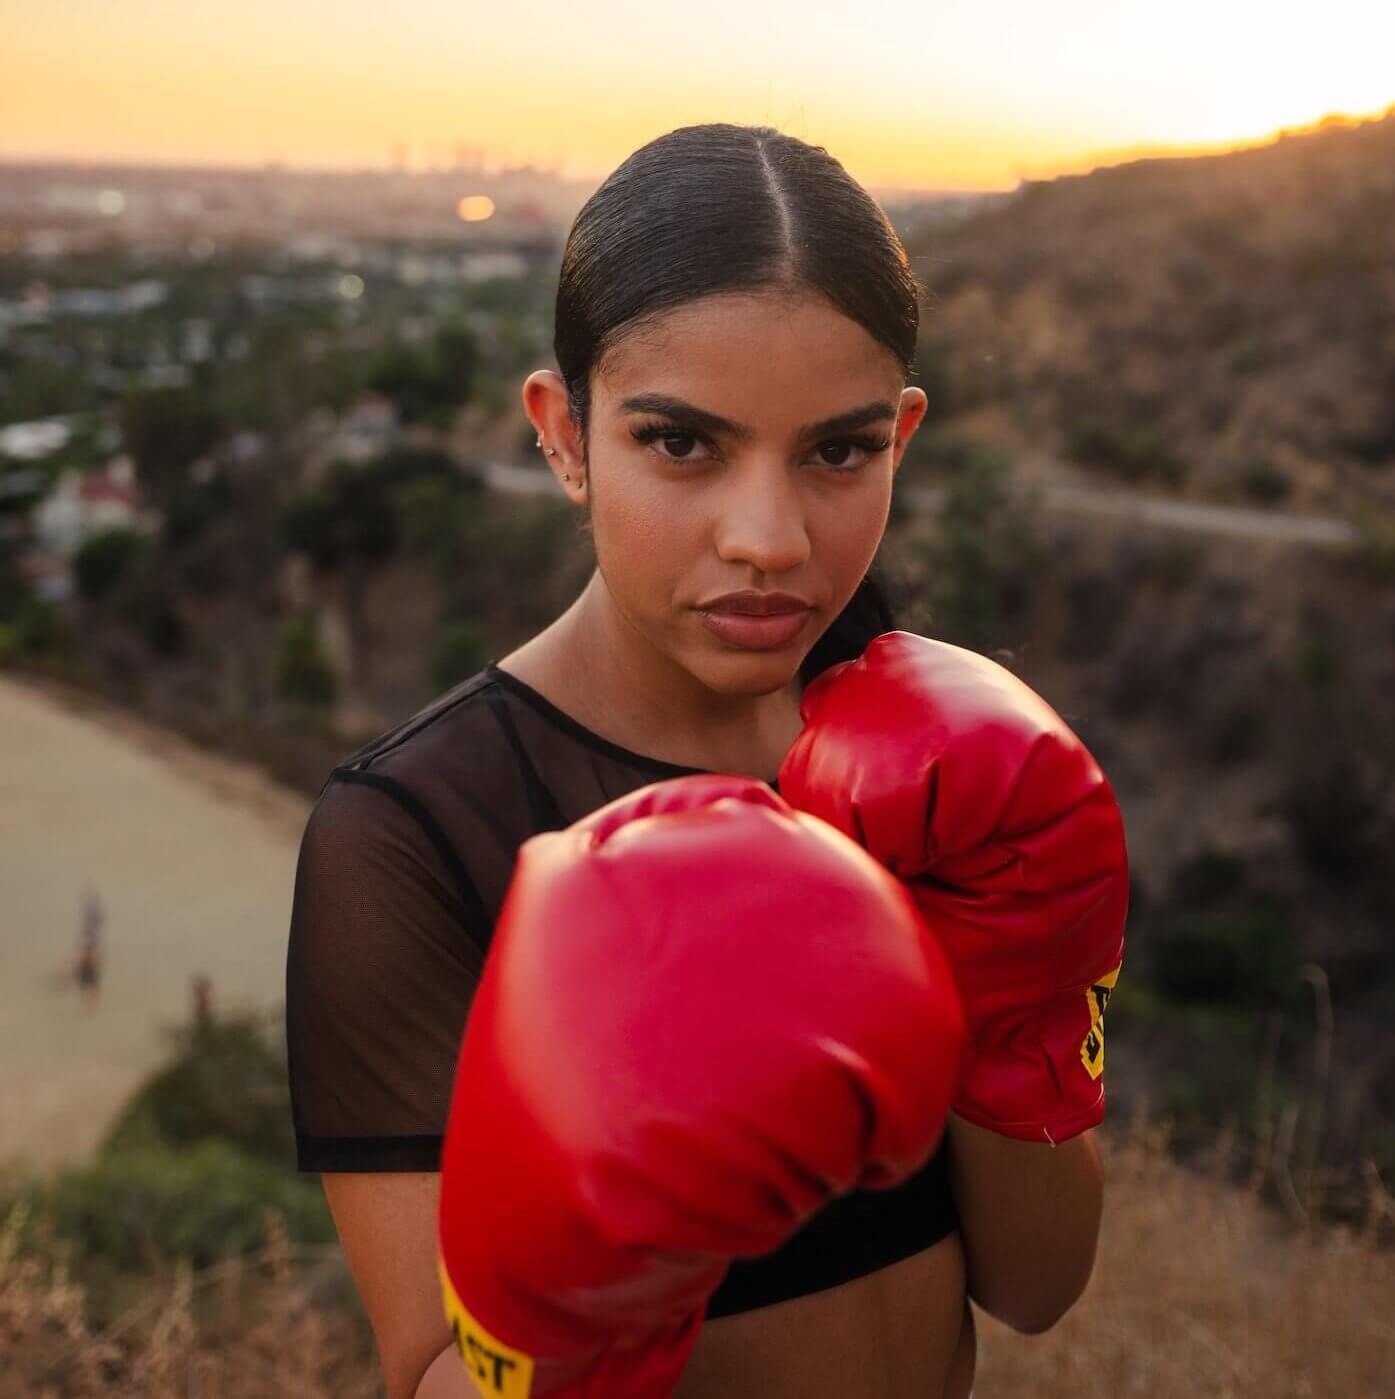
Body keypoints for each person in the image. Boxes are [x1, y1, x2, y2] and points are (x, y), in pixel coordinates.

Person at [286, 122, 1105, 1399]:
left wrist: (1018, 1012)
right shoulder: (414, 829)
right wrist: (584, 1285)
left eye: (839, 450)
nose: (769, 539)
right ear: (565, 436)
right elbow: (430, 1377)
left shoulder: (948, 776)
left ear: (903, 433)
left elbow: (1037, 1287)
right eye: (682, 443)